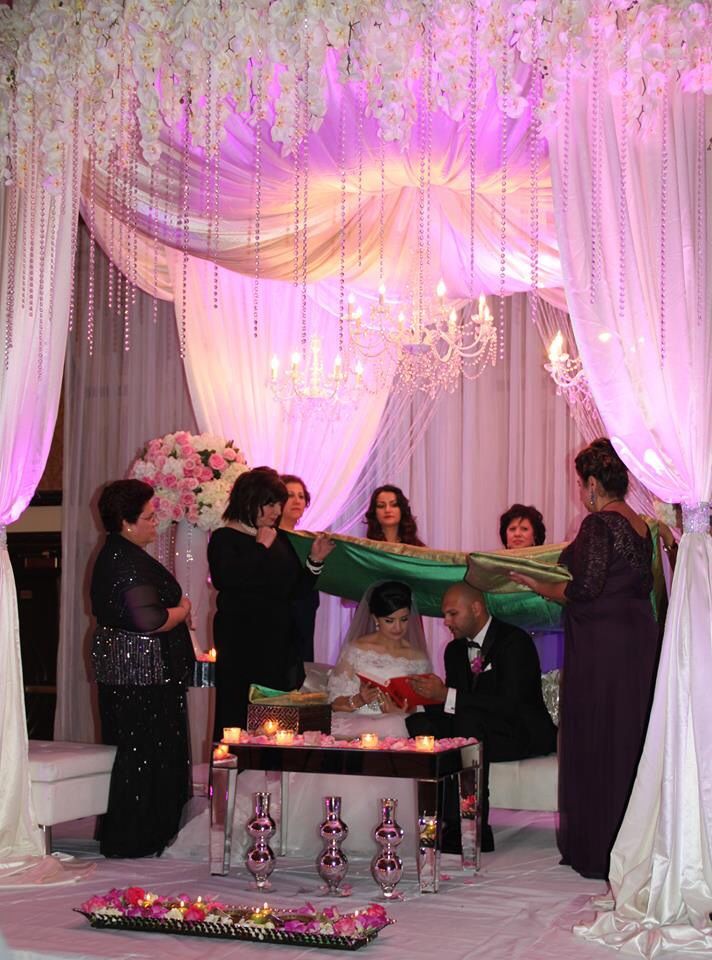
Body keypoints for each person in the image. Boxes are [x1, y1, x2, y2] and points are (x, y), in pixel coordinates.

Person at [508, 438, 659, 880]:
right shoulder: (642, 526)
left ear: (592, 484)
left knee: (598, 734)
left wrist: (537, 586)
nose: (580, 492)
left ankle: (600, 845)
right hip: (637, 640)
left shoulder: (599, 524)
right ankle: (630, 841)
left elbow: (583, 588)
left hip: (603, 647)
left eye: (581, 484)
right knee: (628, 735)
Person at [286, 581, 432, 857]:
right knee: (355, 743)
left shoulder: (417, 656)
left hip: (394, 723)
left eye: (403, 619)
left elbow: (420, 708)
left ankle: (390, 831)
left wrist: (401, 709)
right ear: (375, 619)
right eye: (390, 621)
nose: (398, 628)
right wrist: (360, 699)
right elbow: (335, 701)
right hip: (355, 721)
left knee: (395, 728)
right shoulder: (357, 649)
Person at [407, 581, 557, 852]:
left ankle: (472, 827)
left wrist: (445, 695)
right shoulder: (454, 650)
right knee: (421, 723)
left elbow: (511, 704)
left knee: (467, 726)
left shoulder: (514, 641)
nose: (446, 621)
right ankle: (436, 820)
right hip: (478, 730)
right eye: (445, 615)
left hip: (521, 732)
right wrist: (420, 699)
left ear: (476, 608)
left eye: (453, 614)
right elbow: (456, 702)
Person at [90, 479, 194, 858]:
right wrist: (182, 610)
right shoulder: (123, 559)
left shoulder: (122, 553)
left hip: (141, 673)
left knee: (142, 751)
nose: (156, 523)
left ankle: (146, 830)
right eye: (149, 517)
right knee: (143, 752)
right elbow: (148, 619)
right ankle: (138, 835)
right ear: (126, 521)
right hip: (141, 675)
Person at [208, 467, 333, 734]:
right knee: (239, 714)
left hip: (278, 644)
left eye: (279, 503)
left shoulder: (279, 539)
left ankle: (275, 775)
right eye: (271, 503)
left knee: (278, 719)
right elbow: (226, 579)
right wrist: (260, 547)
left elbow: (295, 591)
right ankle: (236, 773)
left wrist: (315, 561)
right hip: (242, 644)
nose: (277, 510)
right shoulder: (224, 537)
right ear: (250, 500)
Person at [280, 473, 320, 662]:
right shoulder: (268, 538)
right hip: (279, 619)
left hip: (305, 616)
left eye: (301, 496)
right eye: (290, 495)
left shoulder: (308, 541)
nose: (297, 500)